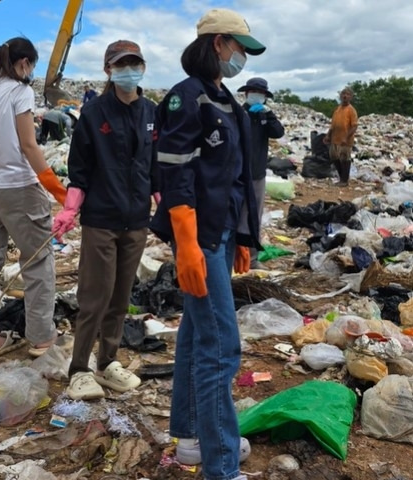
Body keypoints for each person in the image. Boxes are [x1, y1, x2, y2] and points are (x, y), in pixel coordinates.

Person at [150, 9, 265, 480]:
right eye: (239, 47)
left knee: (198, 338)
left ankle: (195, 439)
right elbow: (175, 172)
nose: (242, 57)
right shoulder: (187, 97)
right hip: (196, 237)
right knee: (222, 346)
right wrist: (188, 245)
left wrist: (242, 236)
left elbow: (234, 178)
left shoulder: (228, 103)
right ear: (218, 44)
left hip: (217, 233)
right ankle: (221, 467)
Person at [52, 39, 160, 400]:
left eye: (135, 63)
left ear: (142, 67)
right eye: (121, 64)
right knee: (94, 297)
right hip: (101, 219)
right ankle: (79, 369)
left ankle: (107, 362)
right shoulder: (95, 113)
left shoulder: (150, 112)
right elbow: (80, 169)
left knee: (120, 296)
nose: (129, 70)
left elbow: (154, 167)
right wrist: (70, 209)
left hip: (136, 221)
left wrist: (165, 202)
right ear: (109, 70)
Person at [0, 37, 67, 360]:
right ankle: (41, 339)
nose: (32, 70)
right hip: (19, 188)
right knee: (37, 262)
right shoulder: (22, 92)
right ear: (23, 63)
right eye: (32, 64)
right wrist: (59, 191)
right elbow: (29, 145)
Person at [237, 77, 285, 268]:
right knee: (235, 215)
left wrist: (269, 115)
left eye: (261, 93)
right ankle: (233, 255)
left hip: (257, 174)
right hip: (237, 174)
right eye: (254, 92)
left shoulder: (264, 116)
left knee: (254, 217)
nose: (257, 96)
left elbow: (278, 133)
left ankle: (253, 259)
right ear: (247, 93)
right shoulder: (238, 113)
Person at [323, 87, 358, 187]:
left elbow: (354, 126)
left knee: (345, 159)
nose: (345, 96)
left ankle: (344, 180)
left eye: (347, 94)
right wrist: (328, 135)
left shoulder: (351, 110)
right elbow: (333, 125)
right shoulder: (338, 109)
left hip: (346, 140)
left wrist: (346, 137)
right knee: (334, 157)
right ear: (340, 96)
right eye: (343, 94)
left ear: (351, 97)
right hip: (335, 138)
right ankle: (341, 177)